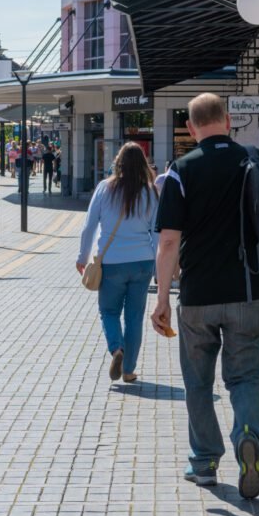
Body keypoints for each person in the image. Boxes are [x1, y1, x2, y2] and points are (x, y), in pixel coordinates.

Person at [151, 93, 259, 499]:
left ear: (190, 128)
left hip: (197, 295)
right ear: (229, 120)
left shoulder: (181, 170)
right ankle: (247, 436)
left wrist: (161, 298)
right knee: (246, 377)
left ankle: (204, 463)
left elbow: (168, 241)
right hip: (249, 291)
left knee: (198, 382)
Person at [77, 142, 159, 384]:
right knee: (134, 317)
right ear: (143, 164)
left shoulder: (105, 188)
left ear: (118, 163)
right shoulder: (151, 192)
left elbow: (89, 226)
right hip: (143, 262)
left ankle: (116, 349)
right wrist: (158, 268)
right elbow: (157, 233)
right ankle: (129, 370)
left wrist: (82, 257)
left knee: (109, 311)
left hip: (112, 262)